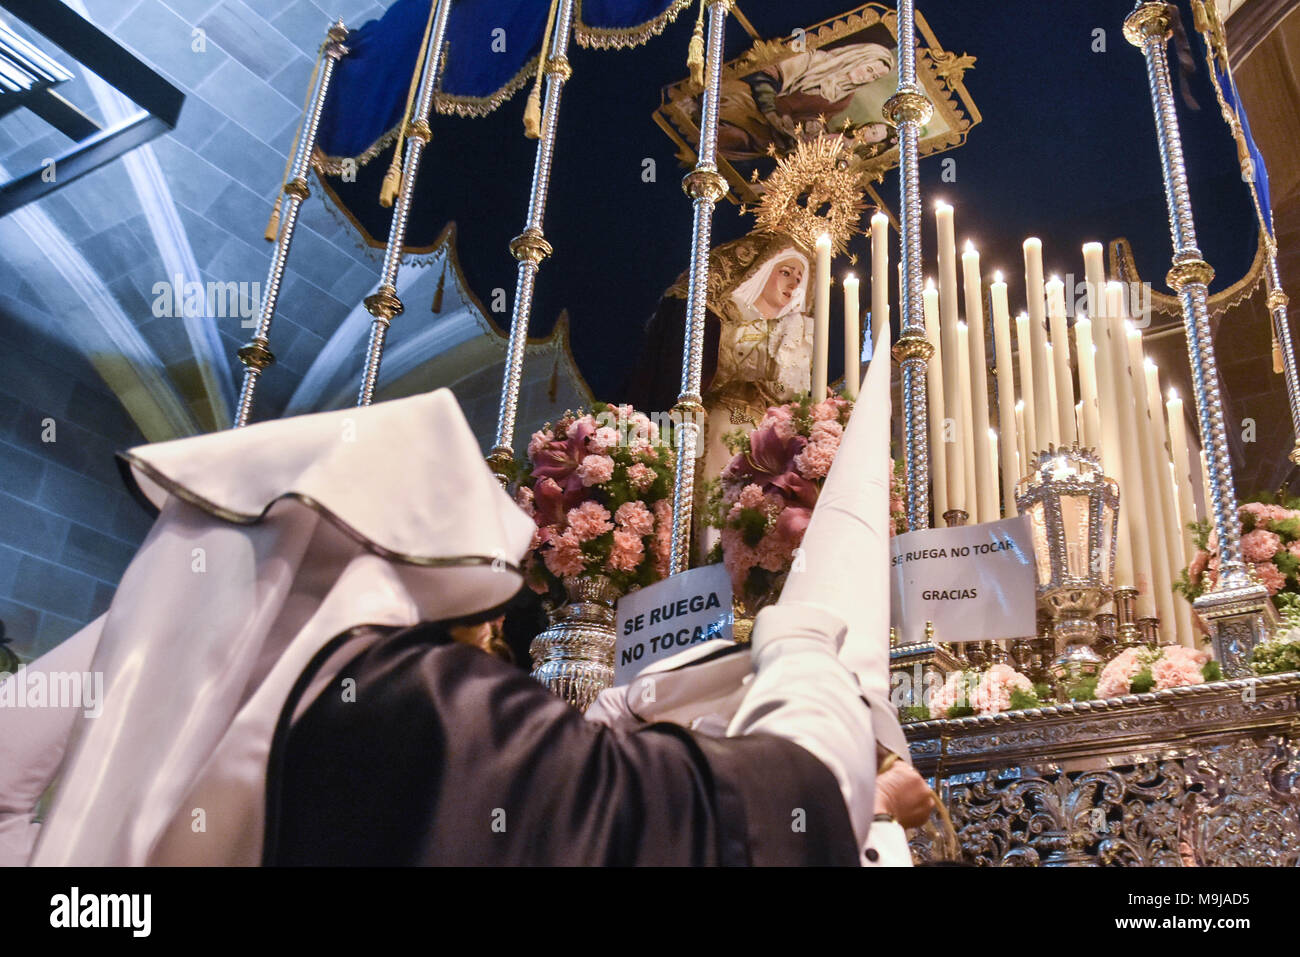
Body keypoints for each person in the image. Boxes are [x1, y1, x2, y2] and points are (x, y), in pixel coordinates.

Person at [627, 231, 814, 559]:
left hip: (768, 435)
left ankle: (751, 577)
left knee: (763, 512)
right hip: (723, 423)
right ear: (760, 272)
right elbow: (700, 362)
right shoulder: (725, 314)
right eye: (785, 272)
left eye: (799, 278)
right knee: (721, 502)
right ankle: (709, 565)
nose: (793, 284)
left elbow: (793, 393)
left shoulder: (796, 335)